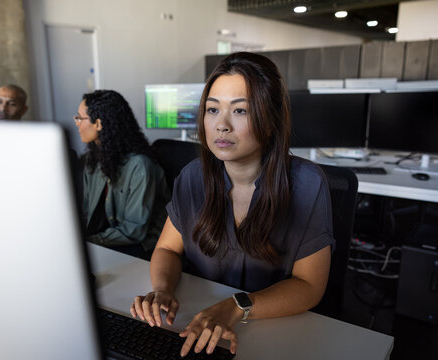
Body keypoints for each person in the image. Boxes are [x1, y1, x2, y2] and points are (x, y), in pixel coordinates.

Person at [130, 52, 334, 356]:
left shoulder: (307, 184)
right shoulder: (192, 178)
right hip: (196, 324)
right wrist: (162, 289)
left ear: (269, 122)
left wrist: (235, 307)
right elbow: (167, 249)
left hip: (273, 329)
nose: (221, 125)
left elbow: (309, 285)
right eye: (212, 109)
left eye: (240, 111)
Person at [76, 89, 170, 259]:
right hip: (109, 238)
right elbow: (87, 213)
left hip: (142, 245)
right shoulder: (93, 160)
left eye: (80, 118)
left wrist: (90, 241)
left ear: (98, 124)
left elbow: (134, 230)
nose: (76, 123)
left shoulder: (140, 166)